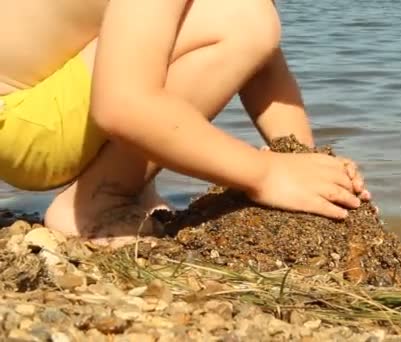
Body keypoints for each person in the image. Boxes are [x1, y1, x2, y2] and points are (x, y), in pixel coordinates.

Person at [0, 0, 371, 246]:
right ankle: (101, 201)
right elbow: (122, 106)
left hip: (29, 110)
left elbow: (266, 64)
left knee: (239, 14)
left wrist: (305, 162)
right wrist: (265, 174)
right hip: (22, 125)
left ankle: (127, 185)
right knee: (241, 17)